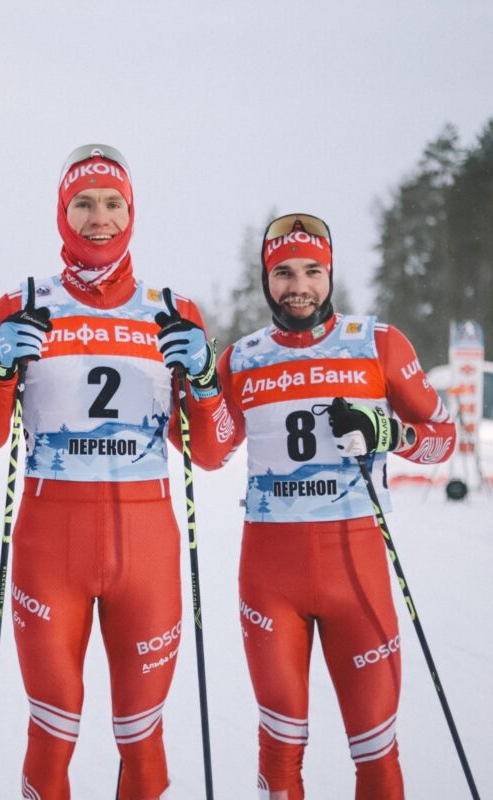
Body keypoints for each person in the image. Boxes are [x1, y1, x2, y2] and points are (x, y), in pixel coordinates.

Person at [0, 144, 232, 800]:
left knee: (143, 742)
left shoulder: (173, 309)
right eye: (83, 203)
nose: (98, 217)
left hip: (148, 550)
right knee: (51, 736)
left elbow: (213, 451)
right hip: (50, 546)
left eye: (113, 203)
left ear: (131, 212)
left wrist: (202, 379)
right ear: (62, 212)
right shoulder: (21, 304)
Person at [188, 213, 456, 799]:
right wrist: (203, 386)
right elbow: (208, 455)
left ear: (330, 274)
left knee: (377, 753)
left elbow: (442, 435)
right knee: (280, 750)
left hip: (357, 572)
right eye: (283, 272)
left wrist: (393, 433)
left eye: (312, 270)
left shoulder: (378, 343)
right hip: (270, 580)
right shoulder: (242, 359)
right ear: (266, 280)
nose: (299, 285)